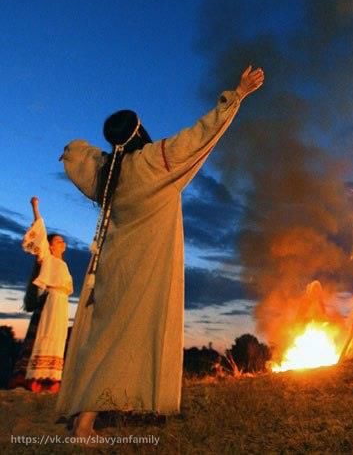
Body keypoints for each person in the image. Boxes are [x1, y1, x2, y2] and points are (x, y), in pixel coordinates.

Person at [56, 66, 264, 436]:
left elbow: (77, 155)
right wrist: (237, 96)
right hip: (145, 269)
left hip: (112, 268)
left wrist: (95, 147)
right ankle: (85, 422)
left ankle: (100, 407)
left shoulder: (108, 173)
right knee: (124, 339)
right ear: (140, 134)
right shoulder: (153, 162)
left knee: (104, 337)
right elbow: (199, 136)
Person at [11, 197, 73, 393]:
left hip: (62, 303)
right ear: (51, 246)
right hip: (52, 301)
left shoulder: (63, 265)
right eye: (59, 241)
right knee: (46, 335)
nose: (63, 243)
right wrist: (35, 207)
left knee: (58, 338)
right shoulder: (47, 258)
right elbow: (40, 231)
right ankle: (37, 379)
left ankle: (51, 380)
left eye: (63, 241)